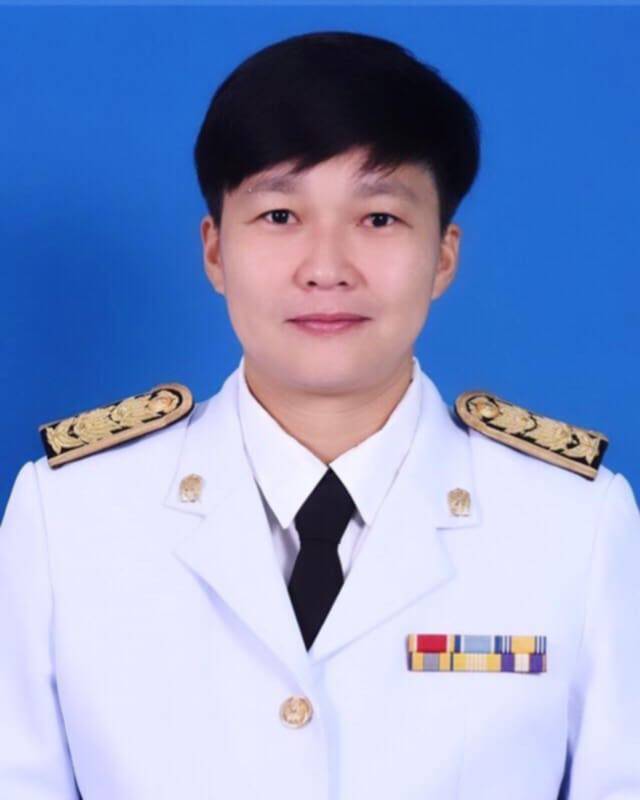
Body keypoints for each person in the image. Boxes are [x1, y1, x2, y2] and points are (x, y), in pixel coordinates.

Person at [1, 29, 638, 800]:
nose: (327, 269)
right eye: (279, 216)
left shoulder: (574, 526)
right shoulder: (71, 517)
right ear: (214, 251)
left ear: (443, 255)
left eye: (379, 219)